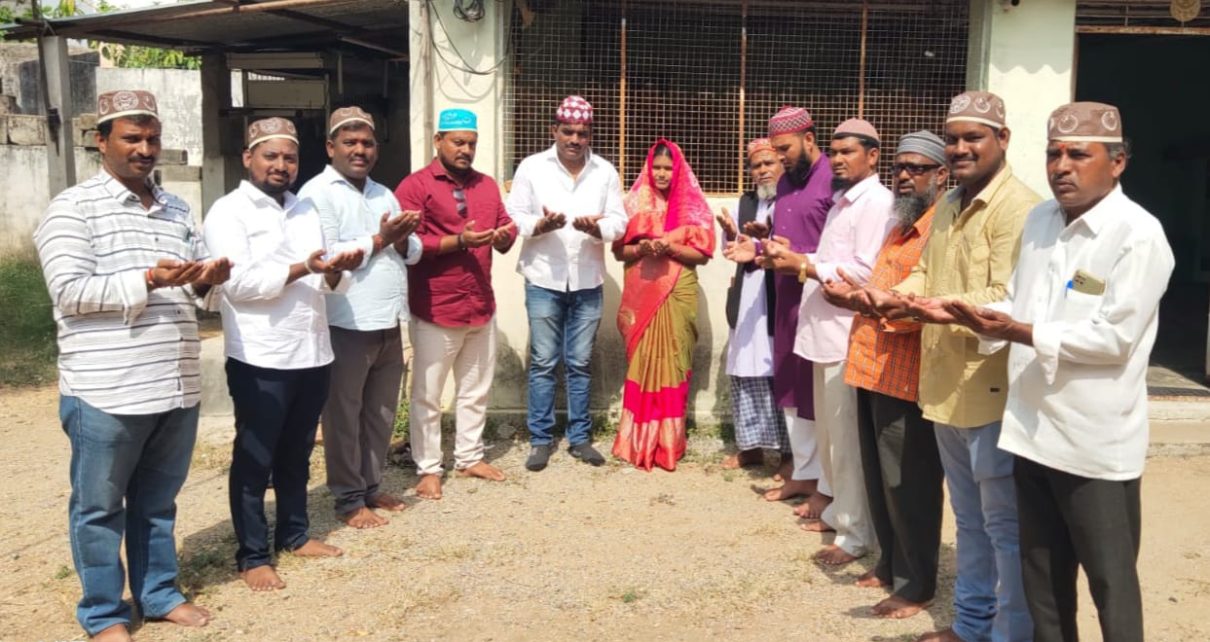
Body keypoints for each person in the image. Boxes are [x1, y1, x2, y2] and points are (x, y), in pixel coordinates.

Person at [942, 103, 1172, 642]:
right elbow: (1019, 301)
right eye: (1053, 154)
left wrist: (1020, 331)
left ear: (1117, 163)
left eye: (1078, 155)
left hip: (1093, 443)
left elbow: (1115, 340)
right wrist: (977, 317)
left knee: (1110, 583)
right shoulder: (1042, 219)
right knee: (1042, 580)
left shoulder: (1137, 234)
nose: (1061, 167)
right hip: (1030, 431)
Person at [34, 89, 228, 642]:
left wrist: (209, 279)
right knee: (98, 508)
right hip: (107, 387)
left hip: (175, 381)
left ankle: (159, 594)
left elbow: (197, 293)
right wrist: (148, 278)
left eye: (153, 138)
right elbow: (70, 292)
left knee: (157, 502)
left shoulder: (177, 209)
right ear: (101, 141)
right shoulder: (73, 208)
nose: (145, 149)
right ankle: (103, 614)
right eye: (132, 138)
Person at [864, 91, 1040, 642]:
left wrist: (926, 306)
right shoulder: (949, 204)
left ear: (1002, 139)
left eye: (973, 138)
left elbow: (1007, 295)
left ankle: (1008, 633)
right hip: (943, 385)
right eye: (953, 139)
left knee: (1003, 526)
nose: (960, 148)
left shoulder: (1022, 210)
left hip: (991, 390)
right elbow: (929, 275)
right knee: (968, 521)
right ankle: (970, 624)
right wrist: (891, 296)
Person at [203, 117, 362, 592]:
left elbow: (326, 278)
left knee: (296, 452)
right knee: (255, 457)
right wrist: (304, 267)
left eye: (289, 157)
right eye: (270, 156)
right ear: (248, 158)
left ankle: (294, 534)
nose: (281, 165)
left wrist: (336, 270)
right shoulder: (227, 212)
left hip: (311, 349)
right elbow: (239, 285)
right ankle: (252, 555)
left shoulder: (304, 207)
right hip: (260, 355)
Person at [820, 131, 949, 616]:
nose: (905, 176)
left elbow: (924, 301)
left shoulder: (937, 230)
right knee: (879, 478)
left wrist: (869, 303)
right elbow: (880, 288)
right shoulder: (900, 224)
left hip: (907, 372)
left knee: (908, 483)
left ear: (942, 175)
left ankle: (917, 584)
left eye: (917, 168)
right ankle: (891, 563)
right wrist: (855, 299)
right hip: (870, 366)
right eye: (899, 168)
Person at [761, 118, 892, 565]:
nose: (837, 160)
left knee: (846, 441)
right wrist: (794, 258)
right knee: (832, 438)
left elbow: (865, 270)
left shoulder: (876, 202)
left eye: (848, 152)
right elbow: (830, 258)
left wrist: (803, 265)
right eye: (834, 153)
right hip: (823, 332)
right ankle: (840, 515)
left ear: (873, 156)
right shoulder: (843, 201)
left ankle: (856, 535)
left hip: (847, 335)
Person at [298, 106, 422, 529]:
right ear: (330, 147)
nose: (360, 150)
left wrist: (401, 240)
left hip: (388, 318)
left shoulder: (383, 193)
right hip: (346, 321)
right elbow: (327, 256)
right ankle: (348, 498)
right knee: (343, 415)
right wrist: (381, 238)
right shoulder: (317, 193)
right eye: (349, 142)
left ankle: (370, 486)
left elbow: (413, 250)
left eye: (367, 143)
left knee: (380, 412)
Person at [395, 108, 516, 499]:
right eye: (458, 142)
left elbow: (506, 227)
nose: (466, 150)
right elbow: (406, 245)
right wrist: (458, 242)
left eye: (471, 144)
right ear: (438, 141)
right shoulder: (415, 186)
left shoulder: (487, 186)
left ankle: (468, 457)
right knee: (428, 395)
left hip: (480, 304)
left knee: (475, 389)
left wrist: (505, 236)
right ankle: (428, 467)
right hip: (436, 307)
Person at [505, 96, 627, 472]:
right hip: (544, 277)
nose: (575, 139)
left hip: (588, 279)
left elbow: (619, 222)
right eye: (568, 132)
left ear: (590, 135)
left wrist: (597, 229)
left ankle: (579, 438)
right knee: (544, 362)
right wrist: (540, 225)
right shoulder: (532, 167)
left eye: (582, 133)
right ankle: (541, 440)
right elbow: (514, 216)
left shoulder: (605, 172)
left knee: (580, 362)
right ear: (554, 131)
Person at [726, 106, 833, 499]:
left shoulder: (832, 182)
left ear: (809, 139)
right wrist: (757, 248)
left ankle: (827, 484)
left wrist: (798, 258)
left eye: (784, 149)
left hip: (823, 300)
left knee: (818, 394)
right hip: (786, 300)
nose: (780, 158)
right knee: (790, 387)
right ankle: (804, 472)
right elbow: (784, 243)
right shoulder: (787, 184)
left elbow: (839, 248)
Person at [611, 139, 714, 471]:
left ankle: (668, 443)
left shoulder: (693, 207)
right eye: (656, 167)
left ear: (678, 169)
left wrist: (669, 247)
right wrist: (643, 249)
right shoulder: (633, 203)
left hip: (677, 290)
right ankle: (636, 442)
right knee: (642, 363)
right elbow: (619, 251)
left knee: (673, 361)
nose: (661, 173)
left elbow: (702, 256)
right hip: (642, 292)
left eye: (668, 168)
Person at [717, 138, 787, 469]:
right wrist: (731, 233)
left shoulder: (791, 202)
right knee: (744, 368)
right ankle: (751, 447)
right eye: (756, 166)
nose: (762, 171)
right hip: (747, 299)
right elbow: (731, 249)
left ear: (782, 164)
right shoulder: (744, 203)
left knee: (777, 371)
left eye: (768, 163)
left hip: (776, 298)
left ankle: (788, 454)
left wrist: (764, 241)